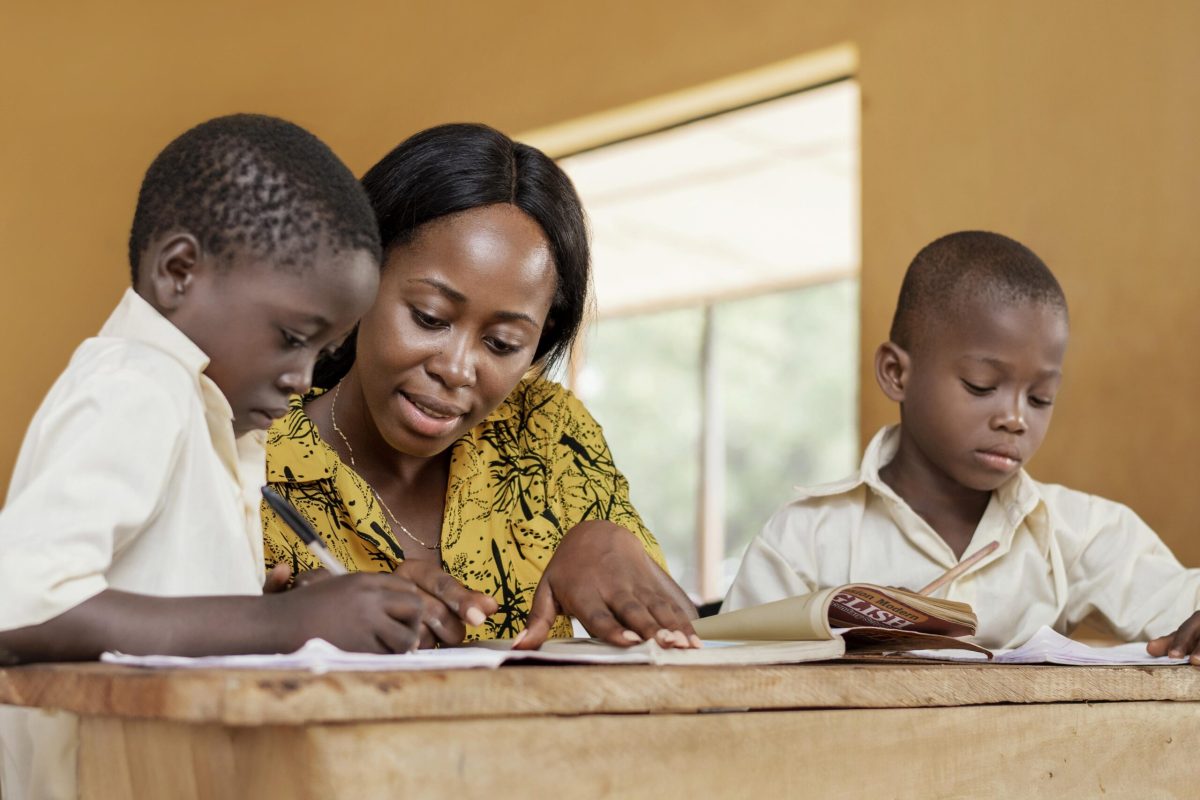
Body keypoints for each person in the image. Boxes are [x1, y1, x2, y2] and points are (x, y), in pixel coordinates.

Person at [0, 114, 494, 800]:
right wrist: (282, 625)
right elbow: (18, 609)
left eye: (323, 353)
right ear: (180, 272)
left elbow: (147, 603)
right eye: (292, 336)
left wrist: (260, 607)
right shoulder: (136, 385)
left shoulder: (212, 418)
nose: (302, 376)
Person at [262, 123, 699, 651]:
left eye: (502, 343)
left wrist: (604, 541)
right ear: (361, 277)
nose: (457, 369)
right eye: (429, 317)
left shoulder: (548, 435)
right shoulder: (248, 453)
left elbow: (675, 645)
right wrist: (283, 624)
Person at [724, 231, 1200, 660]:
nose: (1015, 418)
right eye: (980, 385)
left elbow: (1181, 605)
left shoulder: (1082, 533)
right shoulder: (805, 539)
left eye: (1040, 398)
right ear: (897, 373)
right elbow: (723, 685)